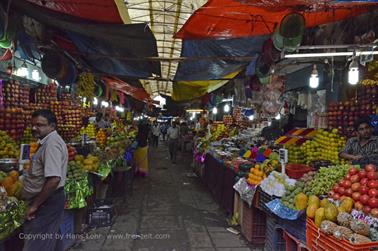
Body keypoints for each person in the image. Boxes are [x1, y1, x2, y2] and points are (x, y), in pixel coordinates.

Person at [21, 109, 68, 251]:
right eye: (33, 124)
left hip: (48, 201)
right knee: (50, 239)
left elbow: (54, 179)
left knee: (36, 244)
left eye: (40, 125)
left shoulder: (51, 144)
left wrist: (35, 205)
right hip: (50, 200)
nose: (34, 128)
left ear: (52, 126)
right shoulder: (47, 141)